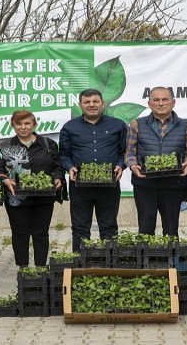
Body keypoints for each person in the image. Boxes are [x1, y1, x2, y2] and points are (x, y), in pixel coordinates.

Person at [0, 110, 64, 267]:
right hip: (16, 197)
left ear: (34, 124)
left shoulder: (48, 144)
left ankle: (40, 268)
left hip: (44, 197)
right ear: (13, 125)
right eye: (19, 124)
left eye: (27, 123)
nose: (23, 127)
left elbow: (58, 166)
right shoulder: (4, 146)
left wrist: (58, 178)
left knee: (41, 233)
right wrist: (5, 180)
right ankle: (23, 268)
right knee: (20, 234)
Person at [59, 89, 127, 252]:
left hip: (109, 184)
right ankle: (80, 266)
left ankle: (111, 266)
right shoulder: (69, 127)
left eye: (95, 101)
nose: (91, 105)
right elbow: (63, 154)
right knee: (80, 228)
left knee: (109, 227)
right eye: (87, 102)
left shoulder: (117, 125)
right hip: (80, 186)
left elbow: (125, 152)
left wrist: (120, 165)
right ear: (80, 105)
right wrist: (70, 167)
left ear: (102, 103)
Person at [125, 86, 187, 237]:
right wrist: (132, 166)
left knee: (171, 229)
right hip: (144, 183)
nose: (161, 103)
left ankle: (171, 259)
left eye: (165, 99)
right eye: (156, 100)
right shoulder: (136, 124)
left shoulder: (185, 125)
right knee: (145, 228)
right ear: (149, 104)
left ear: (173, 102)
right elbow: (130, 152)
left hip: (173, 184)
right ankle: (145, 259)